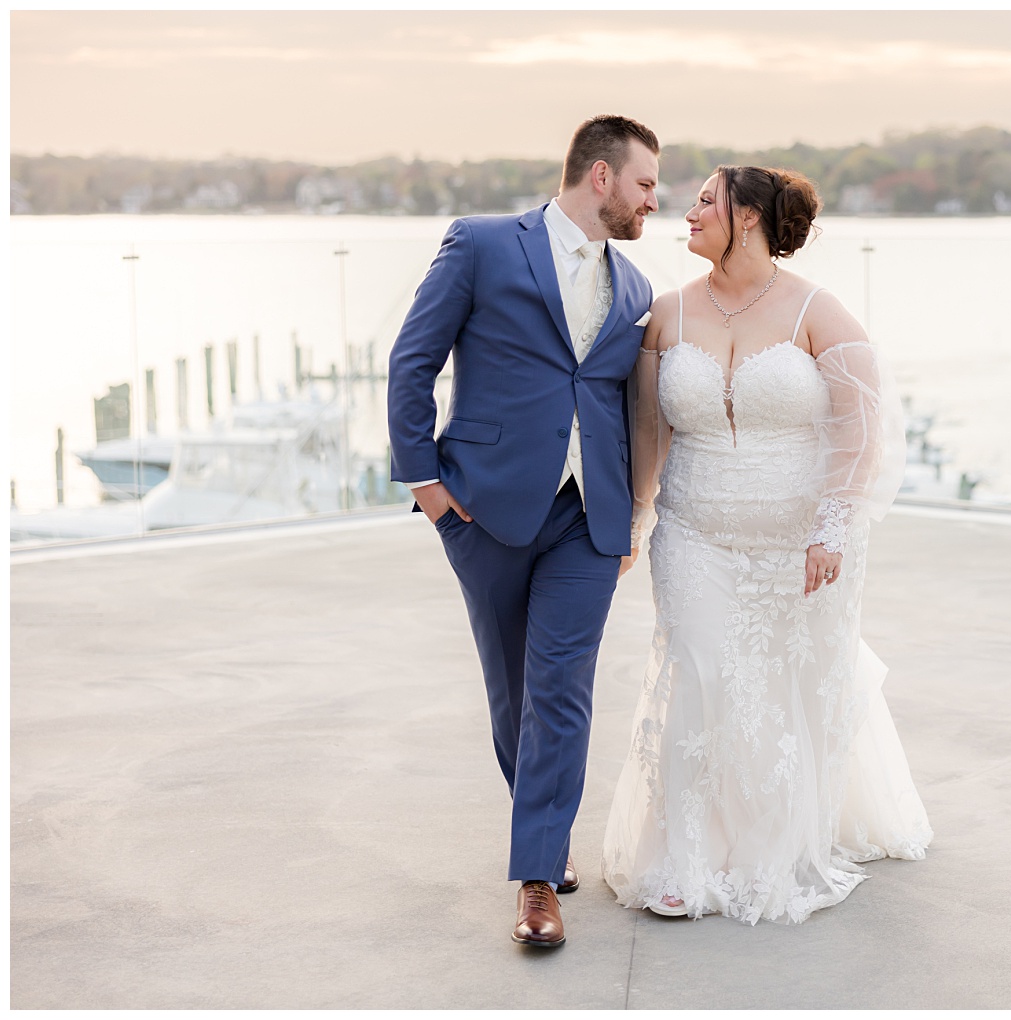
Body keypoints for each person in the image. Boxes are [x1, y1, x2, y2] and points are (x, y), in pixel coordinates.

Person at [601, 166, 933, 925]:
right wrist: (638, 516)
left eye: (706, 201)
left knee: (774, 692)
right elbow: (651, 429)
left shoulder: (819, 312)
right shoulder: (668, 314)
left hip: (793, 542)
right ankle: (683, 857)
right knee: (698, 672)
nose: (688, 212)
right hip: (692, 529)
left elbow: (861, 430)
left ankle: (766, 847)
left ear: (747, 217)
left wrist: (832, 530)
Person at [387, 114, 660, 949]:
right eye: (647, 183)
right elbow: (413, 359)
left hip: (589, 520)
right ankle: (541, 832)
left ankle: (538, 878)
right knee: (513, 694)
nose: (657, 200)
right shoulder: (480, 244)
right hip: (485, 509)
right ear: (602, 177)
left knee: (560, 691)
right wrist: (428, 486)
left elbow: (621, 407)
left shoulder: (640, 289)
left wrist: (628, 521)